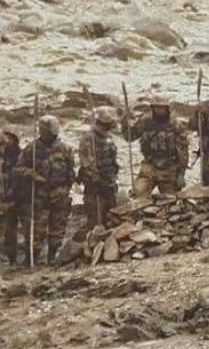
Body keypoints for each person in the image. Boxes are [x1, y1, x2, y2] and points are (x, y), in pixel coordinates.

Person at [15, 115, 76, 265]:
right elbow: (19, 168)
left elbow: (70, 170)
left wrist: (68, 187)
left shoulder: (65, 148)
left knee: (58, 226)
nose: (52, 136)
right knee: (37, 228)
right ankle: (32, 257)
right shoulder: (32, 149)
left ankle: (53, 256)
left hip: (60, 193)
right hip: (40, 194)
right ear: (42, 131)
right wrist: (33, 175)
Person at [126, 96, 189, 197]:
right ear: (152, 108)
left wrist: (181, 174)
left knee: (170, 199)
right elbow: (130, 137)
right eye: (156, 107)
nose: (159, 110)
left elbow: (183, 151)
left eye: (162, 108)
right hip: (149, 166)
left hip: (169, 168)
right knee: (137, 193)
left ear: (167, 108)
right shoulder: (145, 121)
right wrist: (125, 123)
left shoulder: (175, 124)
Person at [78, 106, 120, 230]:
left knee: (112, 215)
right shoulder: (88, 138)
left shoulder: (109, 138)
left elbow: (113, 158)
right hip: (94, 183)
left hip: (109, 181)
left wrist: (114, 174)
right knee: (94, 217)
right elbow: (86, 162)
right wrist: (95, 177)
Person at [1, 131, 21, 264]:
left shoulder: (19, 157)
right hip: (3, 197)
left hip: (14, 198)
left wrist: (12, 201)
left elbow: (20, 182)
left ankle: (11, 257)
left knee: (10, 228)